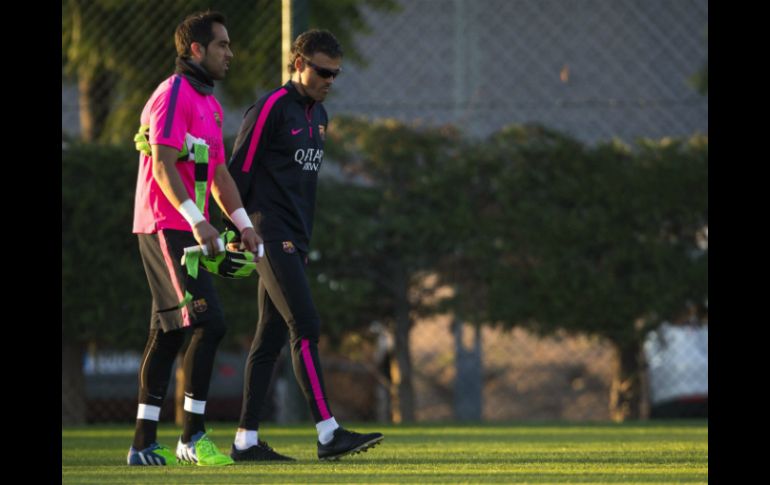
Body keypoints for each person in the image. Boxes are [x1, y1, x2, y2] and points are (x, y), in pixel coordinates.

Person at [226, 29, 384, 462]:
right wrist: (235, 230)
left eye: (335, 74)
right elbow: (236, 173)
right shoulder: (272, 107)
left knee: (269, 338)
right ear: (298, 63)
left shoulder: (320, 117)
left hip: (296, 237)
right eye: (321, 71)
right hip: (268, 233)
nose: (329, 80)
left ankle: (244, 441)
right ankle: (328, 433)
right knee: (306, 325)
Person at [127, 10, 261, 467]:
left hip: (189, 226)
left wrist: (242, 223)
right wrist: (197, 221)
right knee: (209, 323)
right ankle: (192, 437)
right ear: (196, 49)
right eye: (222, 44)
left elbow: (219, 172)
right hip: (166, 224)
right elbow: (163, 164)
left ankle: (143, 443)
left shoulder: (211, 103)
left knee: (167, 333)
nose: (230, 53)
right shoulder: (172, 94)